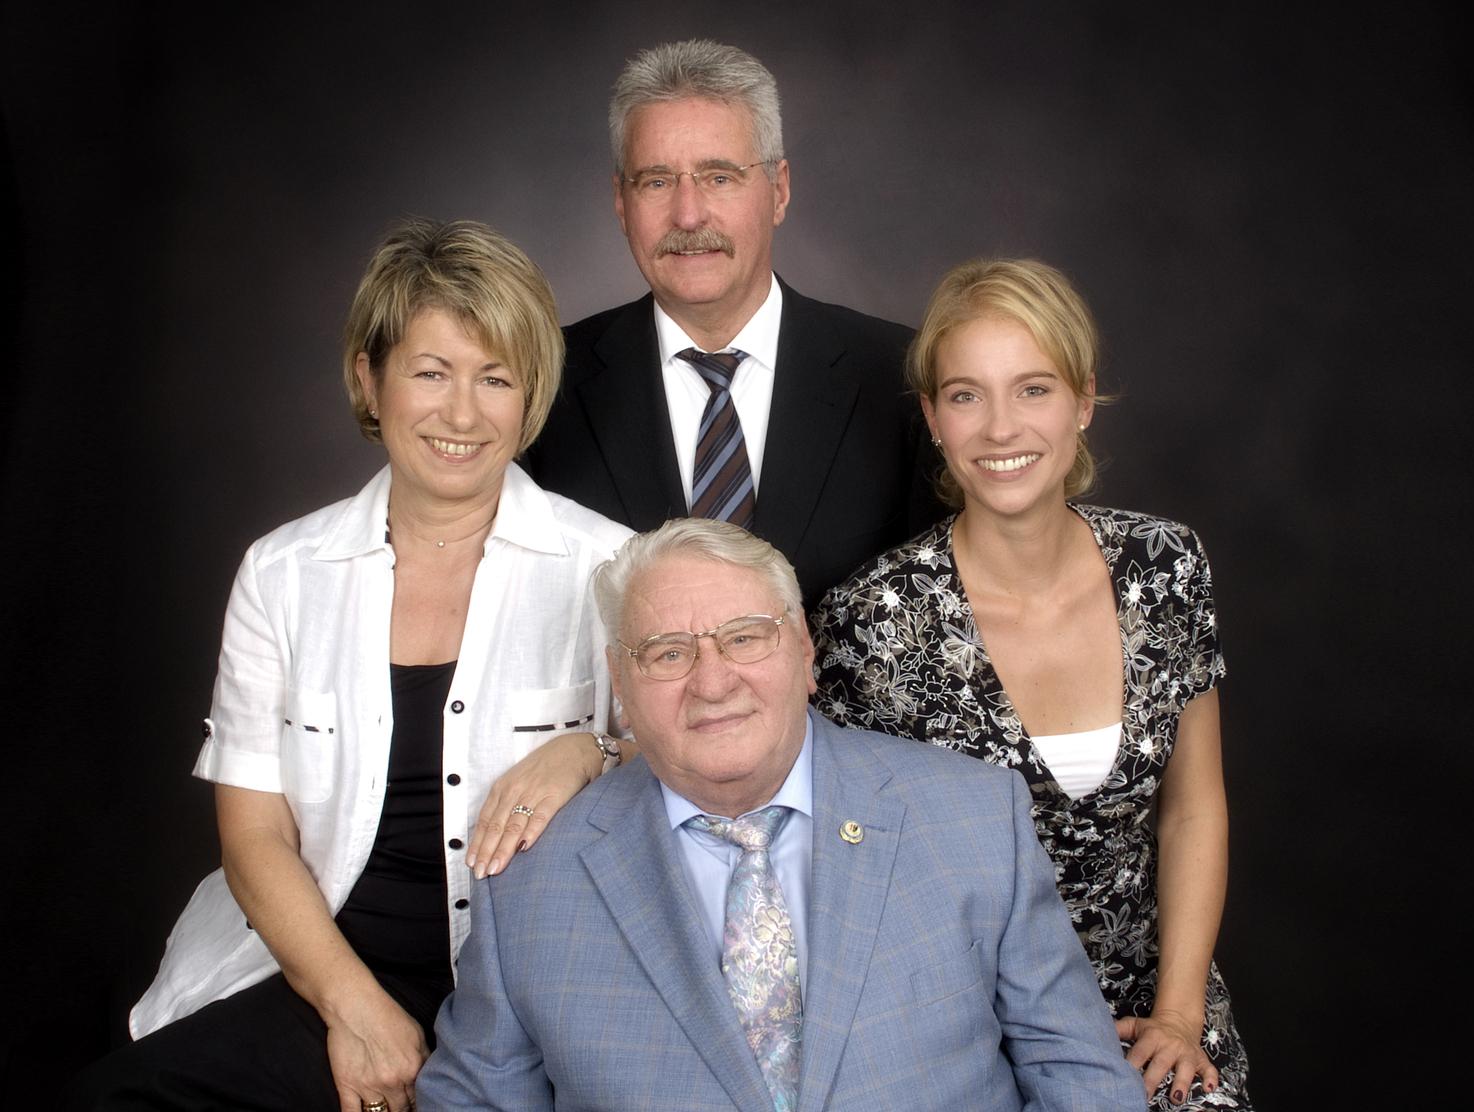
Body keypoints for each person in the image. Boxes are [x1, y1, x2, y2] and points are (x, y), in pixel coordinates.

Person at [68, 219, 633, 1112]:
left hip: (536, 996)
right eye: (430, 372)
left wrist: (594, 752)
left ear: (530, 399)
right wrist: (354, 1008)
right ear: (369, 378)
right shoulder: (283, 572)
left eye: (495, 378)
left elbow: (699, 780)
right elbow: (253, 835)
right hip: (321, 971)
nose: (461, 413)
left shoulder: (611, 565)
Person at [416, 518, 1147, 1112]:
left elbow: (1077, 1072)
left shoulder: (972, 817)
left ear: (803, 649)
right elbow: (474, 1099)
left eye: (744, 636)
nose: (713, 680)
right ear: (621, 682)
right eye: (667, 653)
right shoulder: (531, 882)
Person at [809, 259, 1253, 1110]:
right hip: (960, 1034)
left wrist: (1180, 1014)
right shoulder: (873, 619)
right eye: (967, 395)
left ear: (1083, 401)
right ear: (934, 420)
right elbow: (844, 865)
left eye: (1034, 389)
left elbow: (1194, 807)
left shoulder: (1164, 566)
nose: (1000, 427)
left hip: (1152, 1017)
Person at [522, 39, 943, 609]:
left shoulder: (898, 375)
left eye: (720, 177)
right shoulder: (545, 383)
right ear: (621, 204)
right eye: (656, 181)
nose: (688, 214)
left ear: (779, 190)